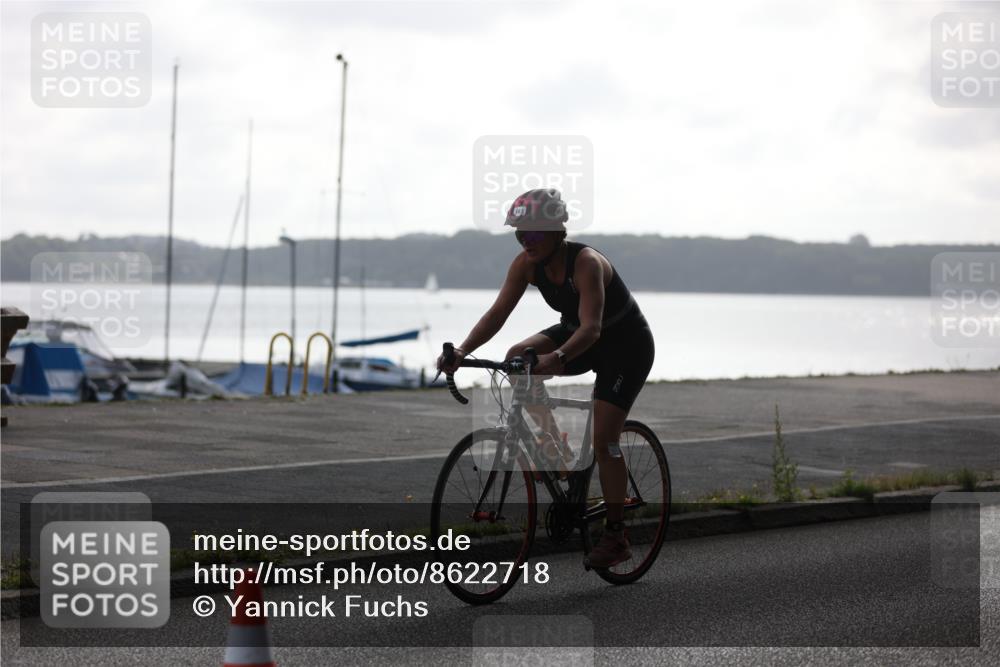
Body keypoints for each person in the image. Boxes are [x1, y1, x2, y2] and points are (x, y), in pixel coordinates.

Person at [436, 188, 655, 569]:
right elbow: (496, 314)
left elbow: (591, 328)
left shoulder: (586, 263)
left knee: (605, 441)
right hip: (577, 337)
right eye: (519, 234)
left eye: (534, 233)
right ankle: (557, 454)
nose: (526, 241)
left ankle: (616, 535)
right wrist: (463, 352)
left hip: (624, 347)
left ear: (557, 231)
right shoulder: (526, 264)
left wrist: (556, 357)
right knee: (515, 359)